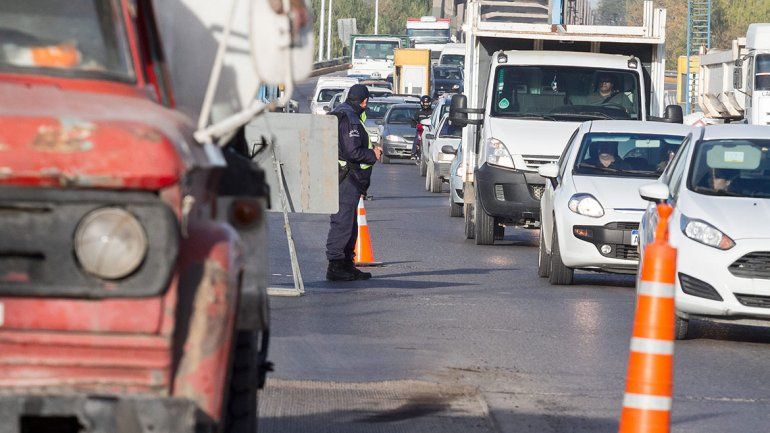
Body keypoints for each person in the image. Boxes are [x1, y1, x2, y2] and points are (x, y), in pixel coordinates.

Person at [325, 84, 383, 281]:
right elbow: (353, 152)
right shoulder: (350, 119)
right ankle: (336, 266)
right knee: (342, 222)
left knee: (349, 223)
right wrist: (373, 154)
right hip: (346, 177)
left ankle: (346, 264)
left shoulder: (343, 113)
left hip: (346, 176)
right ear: (364, 101)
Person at [411, 95, 433, 159]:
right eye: (424, 104)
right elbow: (414, 120)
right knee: (417, 139)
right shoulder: (419, 112)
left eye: (427, 104)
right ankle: (413, 153)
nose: (425, 106)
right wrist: (415, 125)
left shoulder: (433, 112)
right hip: (421, 129)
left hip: (430, 130)